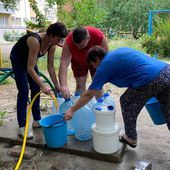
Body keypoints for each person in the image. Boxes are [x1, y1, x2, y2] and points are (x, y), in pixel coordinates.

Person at [64, 46, 170, 148]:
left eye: (92, 65)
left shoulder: (104, 66)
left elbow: (88, 94)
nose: (94, 68)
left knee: (127, 101)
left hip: (150, 79)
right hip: (166, 71)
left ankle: (130, 137)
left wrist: (72, 110)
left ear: (96, 59)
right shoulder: (118, 52)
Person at [10, 22, 68, 139]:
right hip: (19, 59)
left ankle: (37, 120)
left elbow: (50, 67)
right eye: (58, 39)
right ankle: (22, 127)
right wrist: (43, 85)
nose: (60, 42)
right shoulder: (34, 41)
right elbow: (30, 69)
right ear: (51, 35)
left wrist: (56, 86)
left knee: (35, 88)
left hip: (30, 60)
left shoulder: (52, 45)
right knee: (24, 91)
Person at [58, 26, 109, 99]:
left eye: (81, 45)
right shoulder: (69, 41)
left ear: (88, 38)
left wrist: (104, 74)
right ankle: (80, 109)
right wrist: (63, 85)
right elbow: (63, 63)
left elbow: (106, 57)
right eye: (76, 46)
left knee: (97, 85)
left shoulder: (98, 36)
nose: (78, 48)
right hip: (78, 62)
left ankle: (100, 105)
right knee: (80, 85)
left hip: (96, 61)